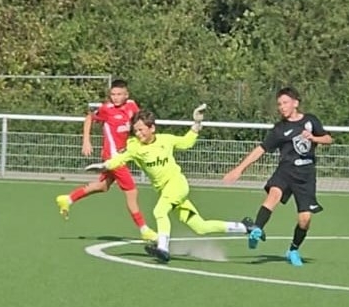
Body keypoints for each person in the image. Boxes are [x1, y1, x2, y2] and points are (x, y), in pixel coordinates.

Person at [84, 105, 249, 263]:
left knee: (159, 211)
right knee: (201, 227)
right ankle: (245, 227)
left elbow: (186, 142)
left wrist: (197, 123)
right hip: (166, 191)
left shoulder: (166, 140)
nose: (138, 134)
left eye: (141, 129)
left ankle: (163, 248)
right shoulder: (135, 147)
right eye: (136, 131)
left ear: (152, 128)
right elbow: (120, 159)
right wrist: (105, 166)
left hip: (177, 184)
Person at [223, 87, 333, 267]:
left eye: (285, 103)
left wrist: (314, 138)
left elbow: (328, 139)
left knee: (305, 220)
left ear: (295, 103)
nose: (282, 107)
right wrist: (239, 169)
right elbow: (261, 149)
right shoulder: (279, 129)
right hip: (285, 172)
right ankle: (257, 229)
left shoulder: (310, 120)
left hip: (306, 177)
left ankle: (293, 250)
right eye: (279, 104)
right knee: (273, 195)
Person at [55, 79, 156, 241]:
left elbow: (138, 123)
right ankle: (144, 230)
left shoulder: (132, 106)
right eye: (113, 94)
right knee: (132, 191)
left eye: (119, 94)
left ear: (126, 95)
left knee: (102, 186)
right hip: (113, 157)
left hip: (121, 155)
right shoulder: (106, 109)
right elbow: (89, 118)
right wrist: (86, 140)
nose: (115, 97)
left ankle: (68, 199)